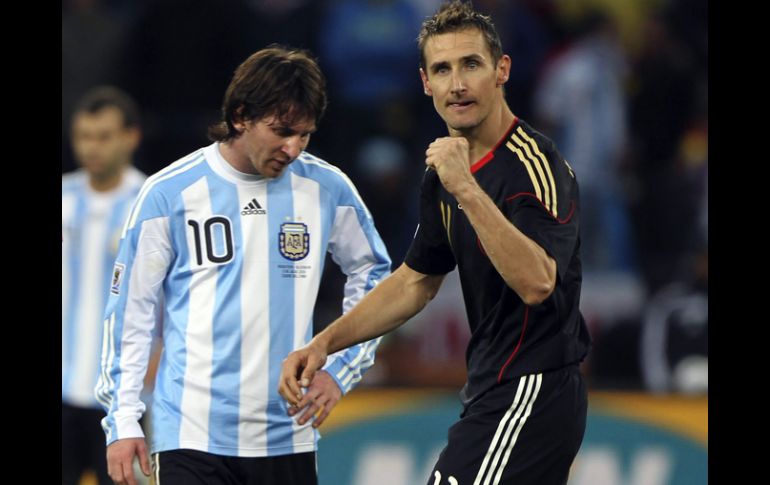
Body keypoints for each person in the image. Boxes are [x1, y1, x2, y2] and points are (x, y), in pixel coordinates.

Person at [279, 2, 591, 484]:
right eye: (442, 69)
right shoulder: (444, 171)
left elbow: (537, 282)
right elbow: (415, 281)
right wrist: (326, 343)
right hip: (492, 389)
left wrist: (465, 187)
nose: (457, 84)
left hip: (533, 389)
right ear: (425, 83)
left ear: (501, 70)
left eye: (471, 64)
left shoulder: (533, 166)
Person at [95, 45, 390, 485]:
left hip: (288, 434)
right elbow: (130, 314)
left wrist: (341, 369)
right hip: (190, 436)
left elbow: (374, 277)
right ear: (240, 116)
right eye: (282, 130)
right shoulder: (169, 193)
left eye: (305, 134)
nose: (292, 148)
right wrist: (122, 420)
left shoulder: (326, 187)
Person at [62, 86, 147, 485]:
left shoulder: (150, 204)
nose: (91, 147)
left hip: (122, 400)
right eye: (83, 136)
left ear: (131, 136)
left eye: (103, 136)